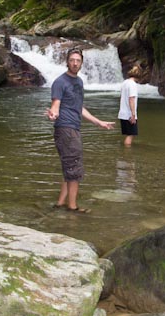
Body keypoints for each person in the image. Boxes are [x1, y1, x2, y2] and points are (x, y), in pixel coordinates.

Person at [46, 48, 115, 213]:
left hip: (74, 128)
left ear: (82, 63)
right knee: (74, 168)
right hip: (65, 129)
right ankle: (73, 207)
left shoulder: (79, 82)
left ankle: (60, 203)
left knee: (68, 166)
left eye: (78, 60)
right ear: (67, 62)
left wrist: (98, 122)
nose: (75, 63)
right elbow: (55, 105)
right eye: (72, 60)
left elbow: (79, 108)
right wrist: (53, 114)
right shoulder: (60, 82)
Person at [118, 65, 142, 147]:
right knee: (131, 134)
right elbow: (131, 99)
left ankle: (125, 153)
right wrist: (133, 114)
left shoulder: (125, 83)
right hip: (129, 114)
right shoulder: (133, 84)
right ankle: (127, 155)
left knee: (129, 134)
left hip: (122, 113)